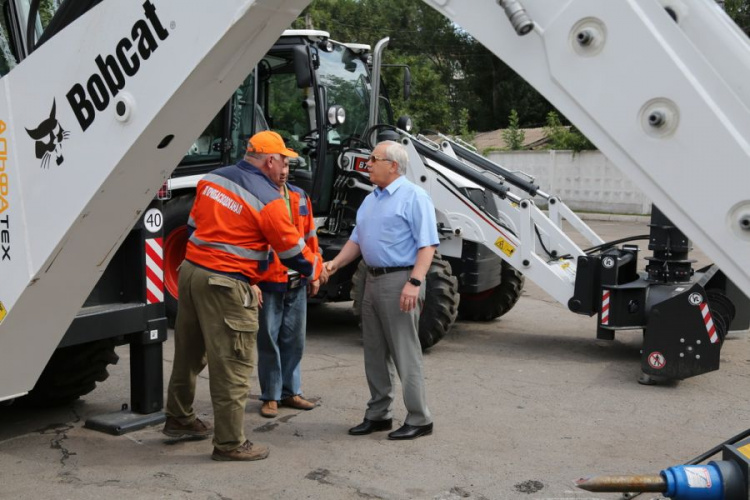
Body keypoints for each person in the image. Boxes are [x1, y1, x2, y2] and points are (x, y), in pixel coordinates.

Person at [163, 130, 324, 461]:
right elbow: (292, 251)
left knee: (189, 354)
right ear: (269, 160)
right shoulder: (268, 198)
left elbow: (193, 228)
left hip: (192, 273)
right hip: (225, 285)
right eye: (283, 160)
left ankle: (178, 418)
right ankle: (230, 443)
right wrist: (316, 269)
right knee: (234, 364)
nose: (285, 167)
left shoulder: (213, 179)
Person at [325, 140, 438, 440]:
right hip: (371, 280)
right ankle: (378, 414)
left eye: (374, 158)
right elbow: (357, 241)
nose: (368, 163)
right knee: (374, 352)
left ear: (394, 165)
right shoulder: (371, 199)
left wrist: (414, 283)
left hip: (400, 280)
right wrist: (334, 264)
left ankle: (419, 418)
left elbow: (428, 245)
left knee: (405, 351)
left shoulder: (414, 197)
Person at [256, 154, 325, 418]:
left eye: (287, 166)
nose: (284, 171)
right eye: (280, 165)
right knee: (269, 340)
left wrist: (315, 273)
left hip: (297, 279)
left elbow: (310, 237)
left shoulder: (299, 196)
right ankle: (270, 396)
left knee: (294, 340)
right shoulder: (260, 197)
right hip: (270, 279)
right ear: (268, 165)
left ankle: (290, 392)